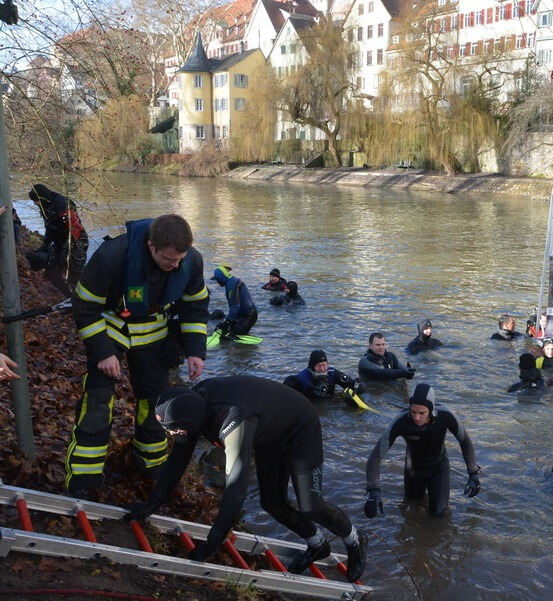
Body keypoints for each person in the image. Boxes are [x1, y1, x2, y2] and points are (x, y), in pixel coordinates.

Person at [123, 376, 366, 582]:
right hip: (268, 430)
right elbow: (178, 460)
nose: (173, 436)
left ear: (188, 424)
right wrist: (151, 505)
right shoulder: (190, 405)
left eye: (174, 431)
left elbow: (236, 489)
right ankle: (317, 544)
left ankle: (355, 540)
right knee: (271, 503)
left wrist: (212, 543)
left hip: (300, 427)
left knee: (310, 503)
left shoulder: (233, 420)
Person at [67, 214, 209, 496]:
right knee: (98, 397)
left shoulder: (191, 261)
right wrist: (104, 352)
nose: (175, 265)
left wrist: (195, 351)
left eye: (180, 259)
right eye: (169, 259)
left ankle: (150, 462)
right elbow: (84, 306)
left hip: (154, 332)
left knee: (154, 400)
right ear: (151, 246)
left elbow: (195, 307)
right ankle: (84, 475)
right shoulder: (112, 256)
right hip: (111, 326)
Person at [364, 383, 480, 517]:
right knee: (410, 510)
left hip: (438, 467)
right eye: (413, 412)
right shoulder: (401, 421)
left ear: (431, 410)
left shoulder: (446, 416)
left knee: (439, 514)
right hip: (413, 469)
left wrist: (473, 473)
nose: (417, 417)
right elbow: (375, 456)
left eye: (422, 413)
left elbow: (465, 441)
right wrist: (373, 491)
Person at [26, 183, 89, 297]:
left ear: (42, 198)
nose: (35, 203)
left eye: (36, 201)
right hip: (59, 241)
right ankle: (69, 296)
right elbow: (50, 227)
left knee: (74, 273)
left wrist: (66, 251)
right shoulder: (45, 205)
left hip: (76, 240)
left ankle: (82, 300)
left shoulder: (62, 204)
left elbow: (75, 229)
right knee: (52, 272)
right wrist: (45, 245)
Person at [283, 349, 365, 402]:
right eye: (319, 365)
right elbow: (288, 393)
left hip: (331, 401)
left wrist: (356, 386)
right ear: (312, 366)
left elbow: (349, 383)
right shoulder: (302, 378)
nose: (323, 369)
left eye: (324, 365)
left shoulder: (332, 373)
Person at [210, 265, 258, 336]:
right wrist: (226, 323)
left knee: (230, 335)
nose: (217, 282)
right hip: (242, 315)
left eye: (217, 279)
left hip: (248, 316)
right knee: (227, 330)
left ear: (221, 278)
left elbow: (235, 307)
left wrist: (227, 323)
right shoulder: (231, 282)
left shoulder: (232, 284)